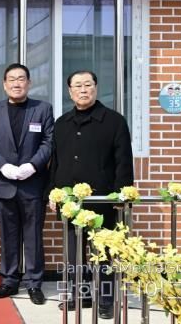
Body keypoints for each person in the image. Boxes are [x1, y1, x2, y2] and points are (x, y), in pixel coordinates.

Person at [47, 70, 134, 320]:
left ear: (95, 88)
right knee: (73, 253)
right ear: (70, 91)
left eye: (88, 85)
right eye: (77, 86)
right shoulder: (62, 123)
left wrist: (120, 196)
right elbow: (55, 162)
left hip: (103, 202)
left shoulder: (114, 121)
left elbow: (124, 162)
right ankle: (78, 294)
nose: (83, 90)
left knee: (104, 253)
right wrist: (52, 193)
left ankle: (106, 300)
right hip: (70, 203)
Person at [0, 63, 53, 305]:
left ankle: (34, 283)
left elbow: (48, 141)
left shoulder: (42, 109)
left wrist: (33, 165)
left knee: (33, 237)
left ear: (29, 83)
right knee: (8, 236)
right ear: (4, 84)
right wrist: (3, 166)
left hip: (33, 184)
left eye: (21, 78)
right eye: (11, 79)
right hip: (4, 183)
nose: (16, 83)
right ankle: (9, 280)